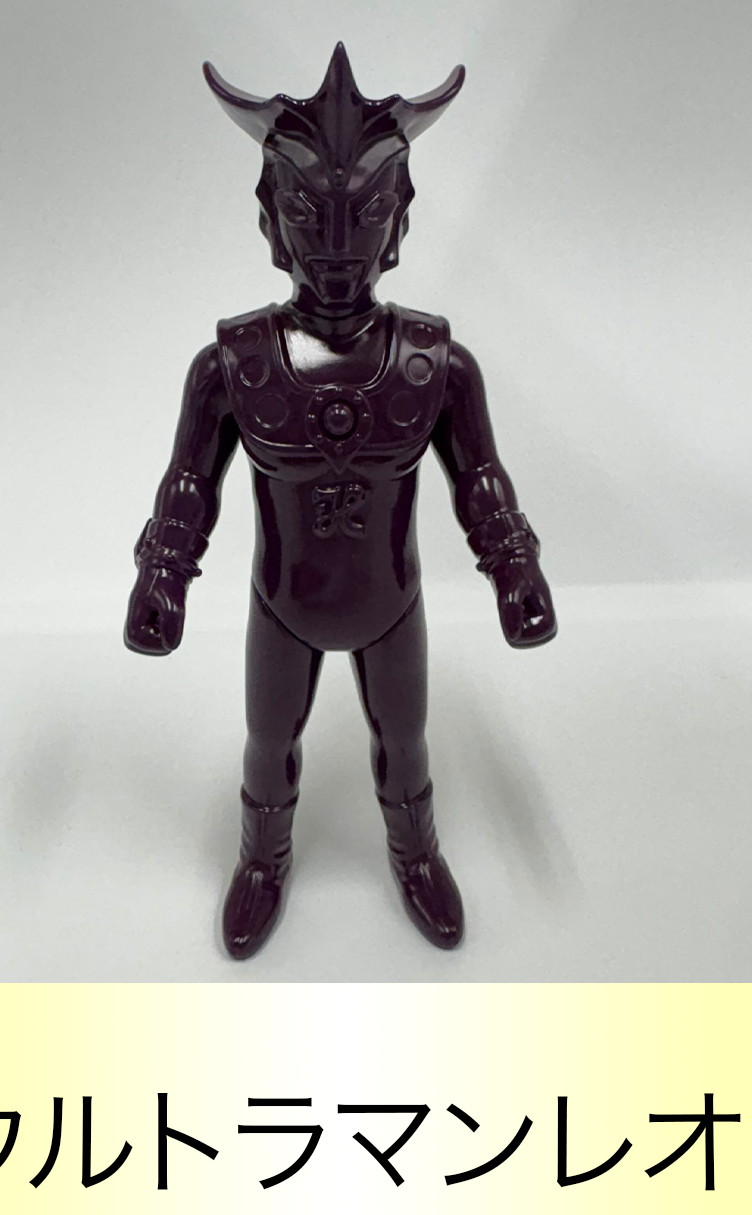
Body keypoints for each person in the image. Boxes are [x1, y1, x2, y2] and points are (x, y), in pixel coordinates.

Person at [124, 45, 557, 959]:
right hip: (281, 604)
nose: (333, 245)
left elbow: (479, 480)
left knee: (404, 740)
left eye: (359, 216)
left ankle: (415, 853)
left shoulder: (435, 365)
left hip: (389, 602)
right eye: (305, 214)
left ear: (397, 221)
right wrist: (161, 578)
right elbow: (188, 485)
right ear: (269, 220)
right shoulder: (232, 367)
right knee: (267, 743)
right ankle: (261, 859)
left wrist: (514, 569)